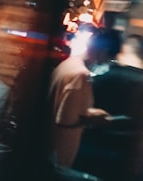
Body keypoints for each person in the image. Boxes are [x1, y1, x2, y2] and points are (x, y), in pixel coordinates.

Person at [47, 25, 112, 167]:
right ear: (104, 52)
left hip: (48, 145)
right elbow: (66, 120)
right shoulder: (81, 74)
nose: (107, 63)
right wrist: (93, 118)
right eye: (108, 58)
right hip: (57, 152)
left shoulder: (68, 64)